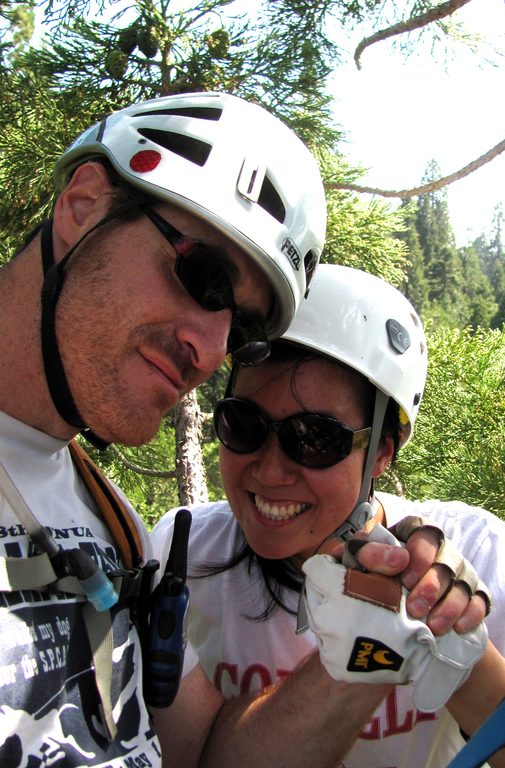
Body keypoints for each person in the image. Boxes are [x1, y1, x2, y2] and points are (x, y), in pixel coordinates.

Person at [0, 90, 334, 768]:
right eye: (203, 276)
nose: (212, 352)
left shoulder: (114, 523)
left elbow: (202, 752)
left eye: (238, 330)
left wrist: (370, 652)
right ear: (82, 205)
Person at [153, 264, 505, 768]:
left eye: (314, 438)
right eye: (243, 424)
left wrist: (460, 651)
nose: (269, 469)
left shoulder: (476, 550)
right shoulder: (186, 558)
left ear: (382, 453)